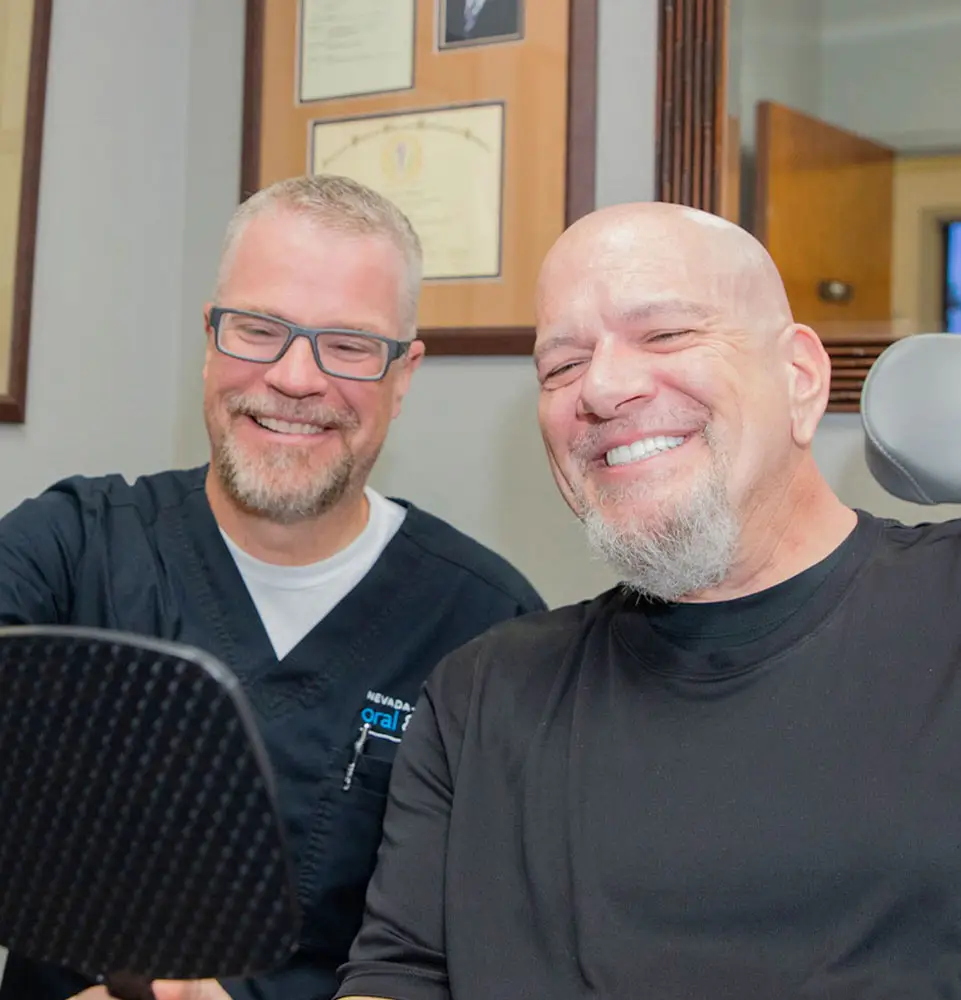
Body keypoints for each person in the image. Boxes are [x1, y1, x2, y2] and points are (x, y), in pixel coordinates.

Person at [329, 201, 961, 1000]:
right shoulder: (481, 695)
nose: (601, 387)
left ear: (799, 379)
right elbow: (399, 974)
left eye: (665, 334)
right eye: (560, 365)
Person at [0, 174, 545, 1000]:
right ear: (209, 340)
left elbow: (494, 948)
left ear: (403, 376)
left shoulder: (485, 626)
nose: (295, 378)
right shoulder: (72, 548)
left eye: (349, 345)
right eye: (258, 329)